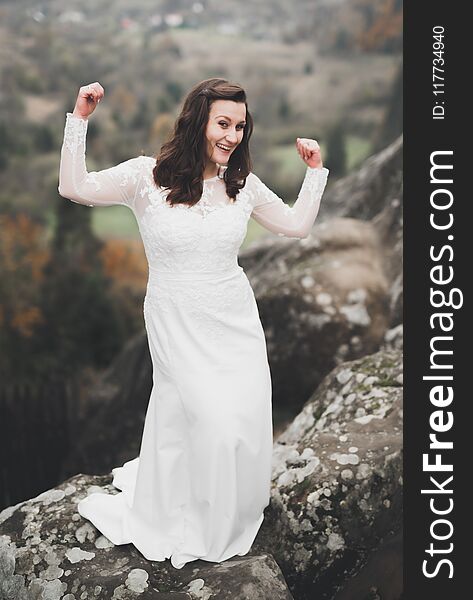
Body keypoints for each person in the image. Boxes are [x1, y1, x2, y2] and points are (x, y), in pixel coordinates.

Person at [58, 77, 329, 569]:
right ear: (197, 121)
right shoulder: (147, 177)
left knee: (238, 424)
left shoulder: (242, 185)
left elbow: (297, 226)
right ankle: (181, 514)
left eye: (240, 127)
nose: (231, 135)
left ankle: (226, 513)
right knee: (204, 418)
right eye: (223, 123)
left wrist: (314, 172)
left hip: (232, 315)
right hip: (174, 314)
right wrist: (80, 118)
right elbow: (73, 187)